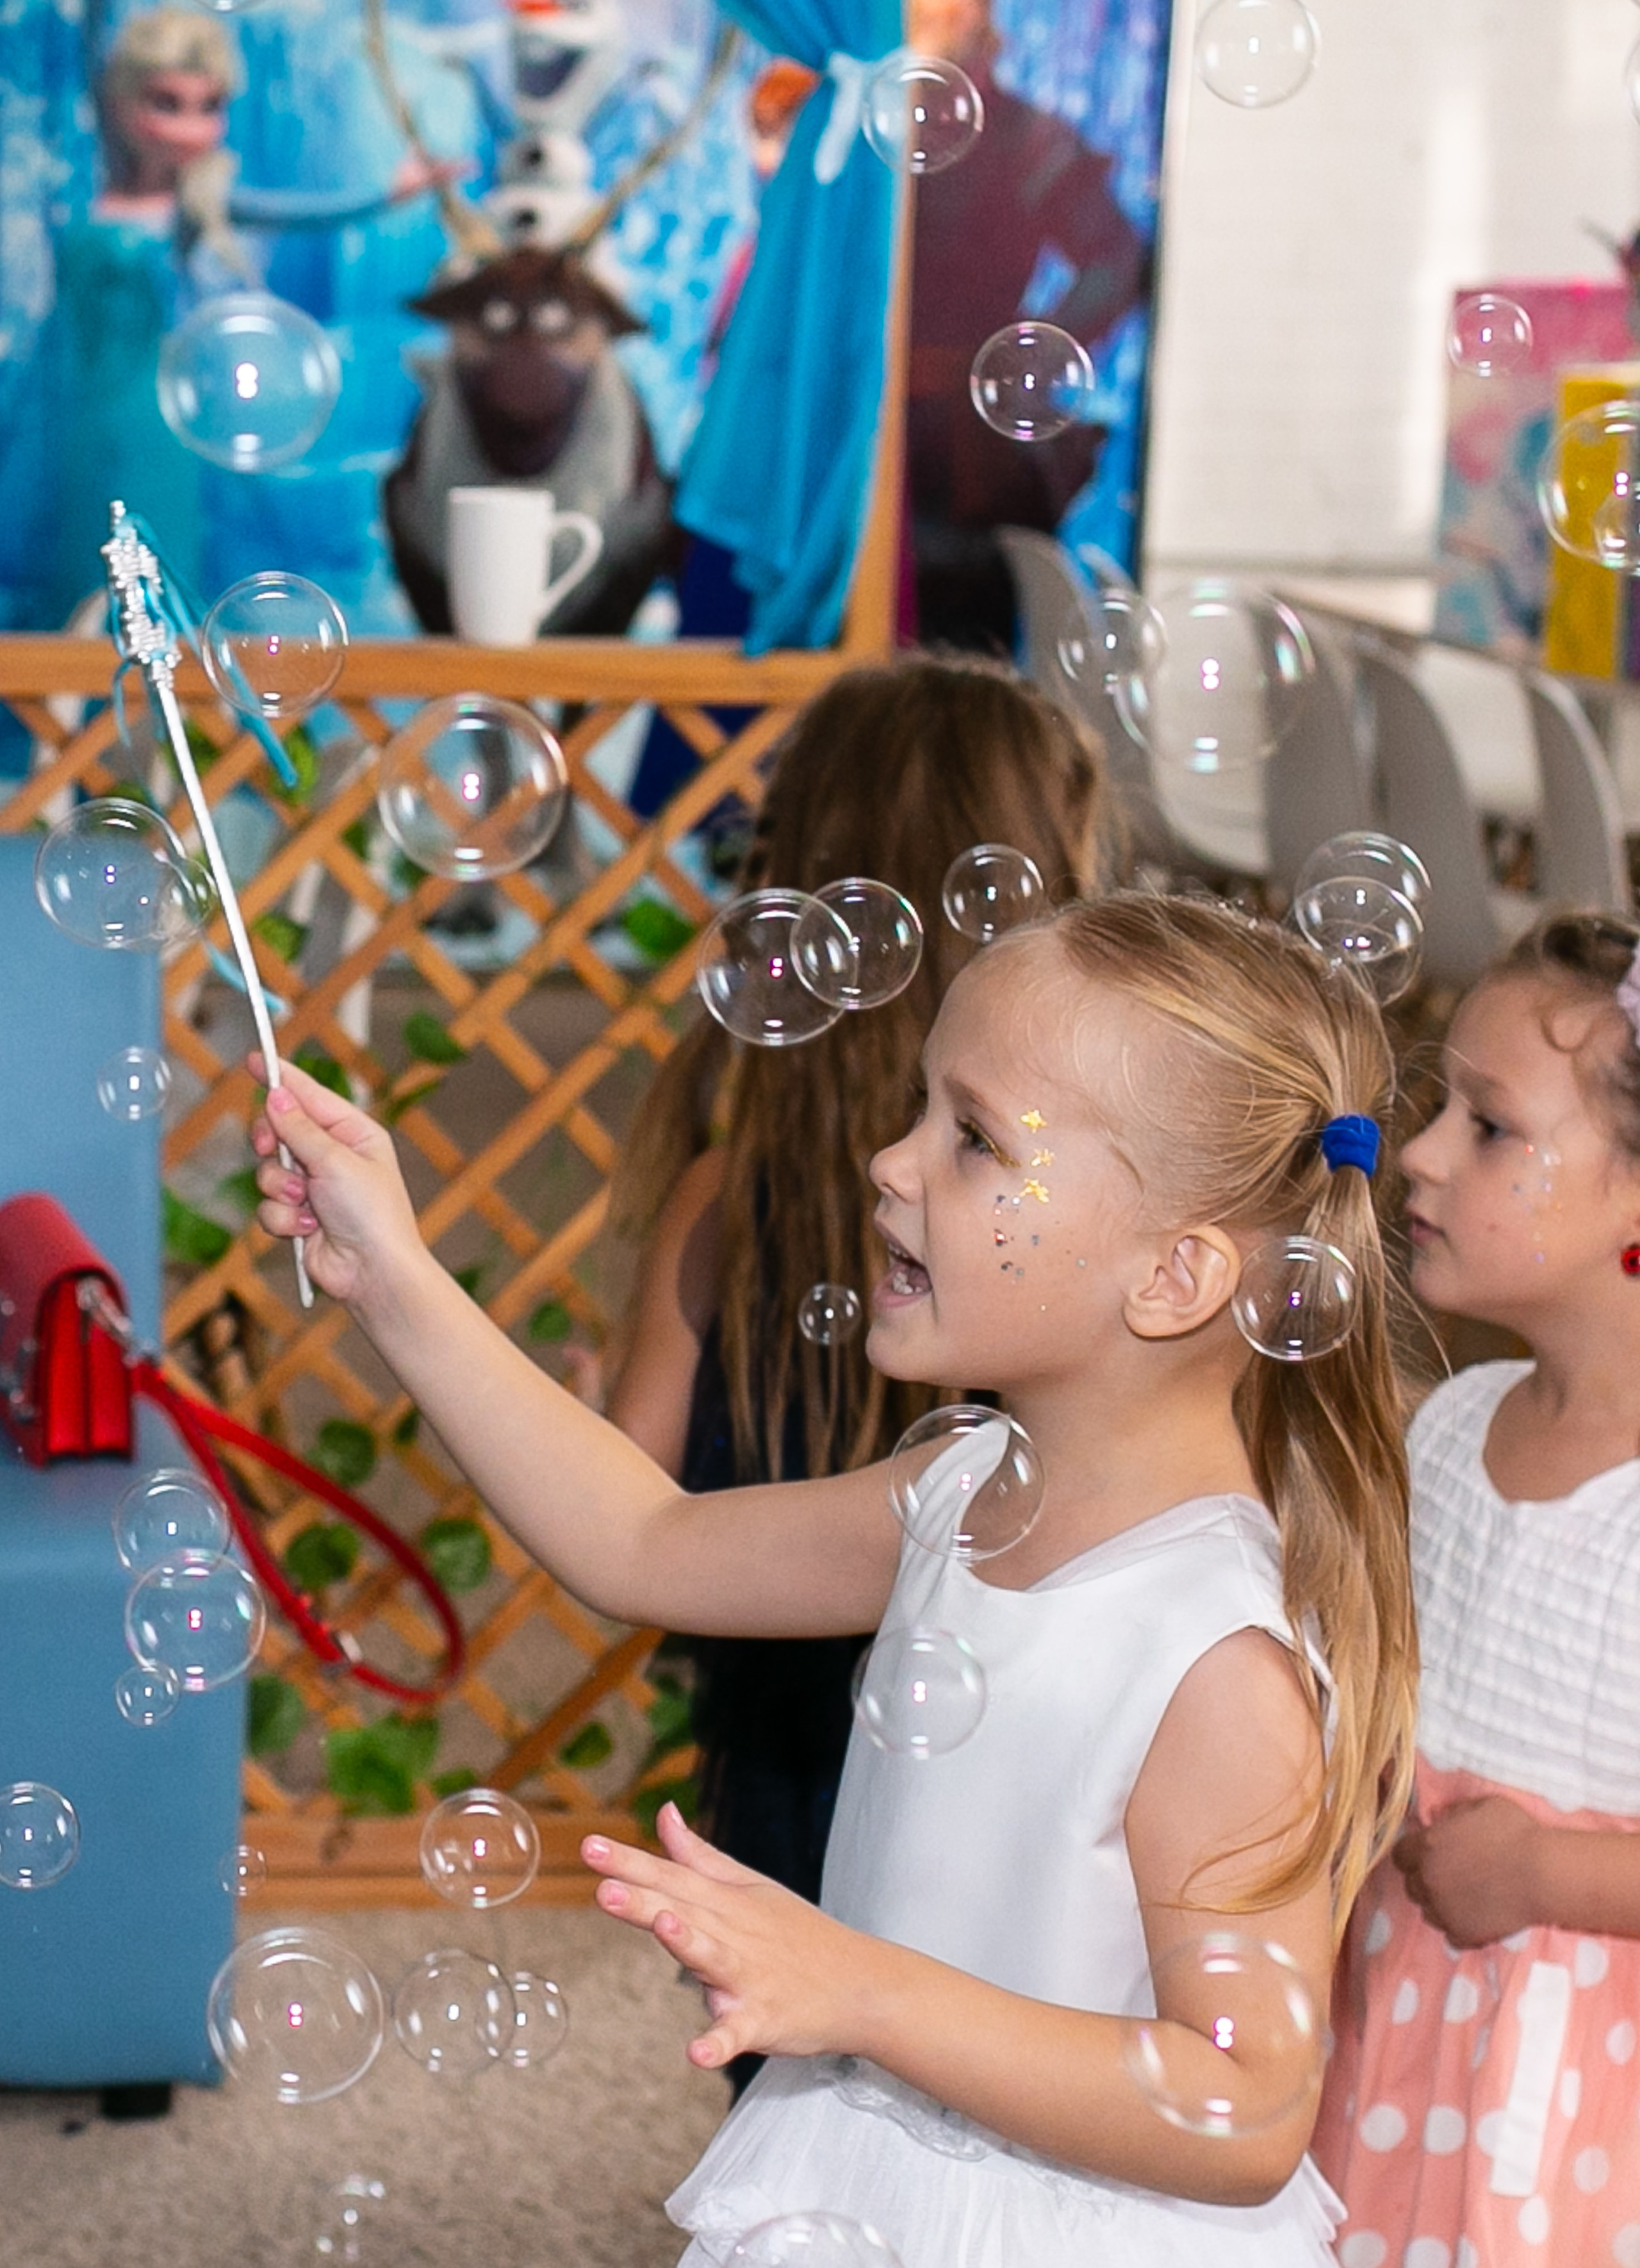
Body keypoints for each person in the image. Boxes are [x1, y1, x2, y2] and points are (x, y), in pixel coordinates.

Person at [250, 889, 1416, 2265]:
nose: (887, 1158)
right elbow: (641, 1542)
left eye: (973, 1138)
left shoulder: (1213, 1653)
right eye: (922, 1107)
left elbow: (1245, 2107)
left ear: (1173, 1275)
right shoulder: (959, 1490)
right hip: (869, 2174)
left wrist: (859, 1990)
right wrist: (391, 1275)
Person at [602, 655, 1108, 2094]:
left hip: (779, 1768)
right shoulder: (1071, 1234)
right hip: (1015, 1783)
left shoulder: (726, 1199)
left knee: (790, 2097)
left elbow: (628, 1491)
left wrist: (592, 1386)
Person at [1316, 912, 1640, 2264]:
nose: (1423, 1152)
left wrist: (1543, 1869)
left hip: (1578, 2114)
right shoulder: (1447, 1430)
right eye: (1438, 1106)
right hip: (1394, 2043)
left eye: (1489, 1125)